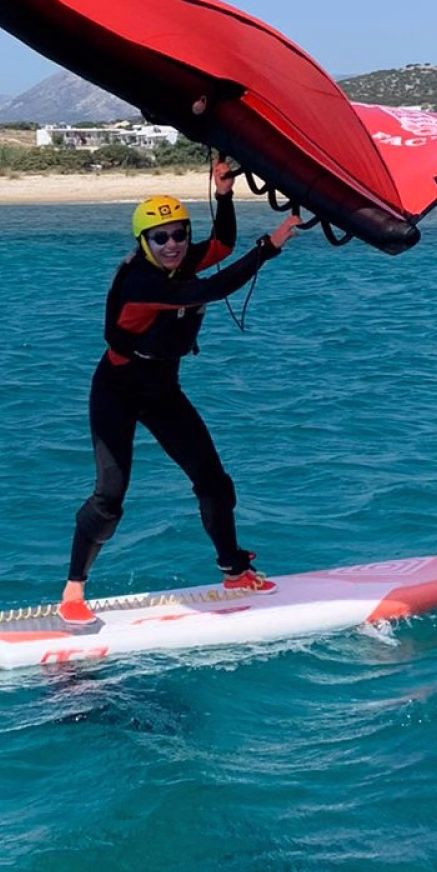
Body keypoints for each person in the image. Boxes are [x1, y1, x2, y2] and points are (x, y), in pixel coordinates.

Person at [59, 163, 300, 625]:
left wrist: (225, 194)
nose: (172, 245)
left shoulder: (180, 261)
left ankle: (234, 570)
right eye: (160, 238)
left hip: (163, 389)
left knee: (214, 481)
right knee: (110, 495)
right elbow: (213, 286)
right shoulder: (141, 284)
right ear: (142, 243)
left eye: (179, 234)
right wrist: (270, 247)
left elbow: (223, 246)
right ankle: (73, 592)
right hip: (117, 390)